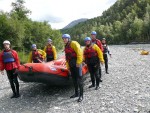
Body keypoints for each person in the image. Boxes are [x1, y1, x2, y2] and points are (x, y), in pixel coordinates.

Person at [62, 34, 83, 102]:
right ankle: (76, 93)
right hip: (71, 64)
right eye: (63, 38)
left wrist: (78, 62)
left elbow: (79, 53)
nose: (64, 40)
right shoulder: (66, 46)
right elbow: (67, 57)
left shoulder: (74, 43)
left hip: (77, 64)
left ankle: (81, 96)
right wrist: (68, 66)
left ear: (69, 38)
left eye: (65, 38)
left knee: (79, 80)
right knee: (74, 80)